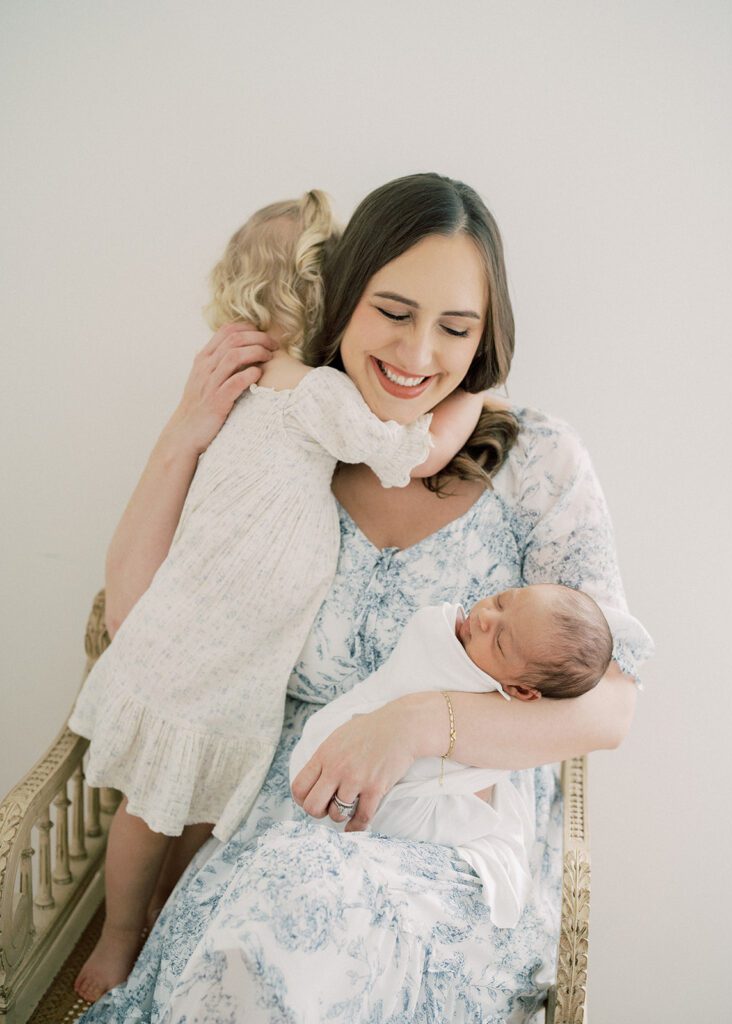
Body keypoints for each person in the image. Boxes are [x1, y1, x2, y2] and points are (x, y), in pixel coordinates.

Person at [80, 172, 653, 1024]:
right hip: (277, 819)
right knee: (265, 932)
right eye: (393, 312)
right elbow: (135, 620)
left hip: (451, 840)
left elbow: (609, 711)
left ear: (485, 339)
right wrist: (183, 433)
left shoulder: (542, 461)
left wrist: (420, 722)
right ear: (343, 302)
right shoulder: (287, 440)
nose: (419, 354)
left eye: (455, 328)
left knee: (318, 927)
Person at [69, 190, 485, 1004]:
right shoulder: (308, 393)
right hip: (202, 650)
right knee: (160, 813)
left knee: (176, 808)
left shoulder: (264, 386)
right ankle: (123, 936)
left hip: (224, 654)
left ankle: (150, 921)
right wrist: (470, 400)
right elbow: (408, 454)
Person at [289, 583, 615, 929]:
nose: (486, 617)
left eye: (501, 643)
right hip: (332, 747)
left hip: (382, 801)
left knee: (447, 815)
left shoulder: (504, 712)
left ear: (521, 691)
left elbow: (609, 720)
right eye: (503, 600)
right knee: (476, 816)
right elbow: (422, 647)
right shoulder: (438, 632)